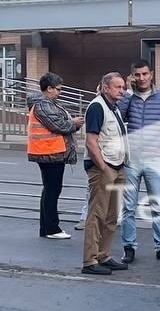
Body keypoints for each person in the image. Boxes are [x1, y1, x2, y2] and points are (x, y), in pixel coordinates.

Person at [120, 59, 160, 264]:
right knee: (128, 207)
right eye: (137, 75)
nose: (142, 78)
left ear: (151, 74)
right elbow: (118, 117)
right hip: (132, 160)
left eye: (145, 74)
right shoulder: (128, 98)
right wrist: (128, 93)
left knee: (159, 206)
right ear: (132, 76)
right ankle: (129, 247)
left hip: (155, 159)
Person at [81, 72, 130, 277]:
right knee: (97, 215)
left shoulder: (114, 107)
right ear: (106, 87)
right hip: (104, 168)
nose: (122, 91)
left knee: (111, 215)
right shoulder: (97, 107)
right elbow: (91, 142)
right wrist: (103, 168)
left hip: (117, 166)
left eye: (122, 87)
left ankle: (104, 255)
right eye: (118, 87)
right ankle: (90, 260)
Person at [26, 73, 84, 240]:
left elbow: (57, 122)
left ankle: (46, 227)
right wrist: (74, 123)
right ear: (49, 88)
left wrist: (70, 122)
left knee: (50, 190)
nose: (60, 92)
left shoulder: (45, 104)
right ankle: (51, 228)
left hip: (48, 152)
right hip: (49, 152)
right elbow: (58, 125)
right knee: (52, 190)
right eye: (58, 89)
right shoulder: (43, 105)